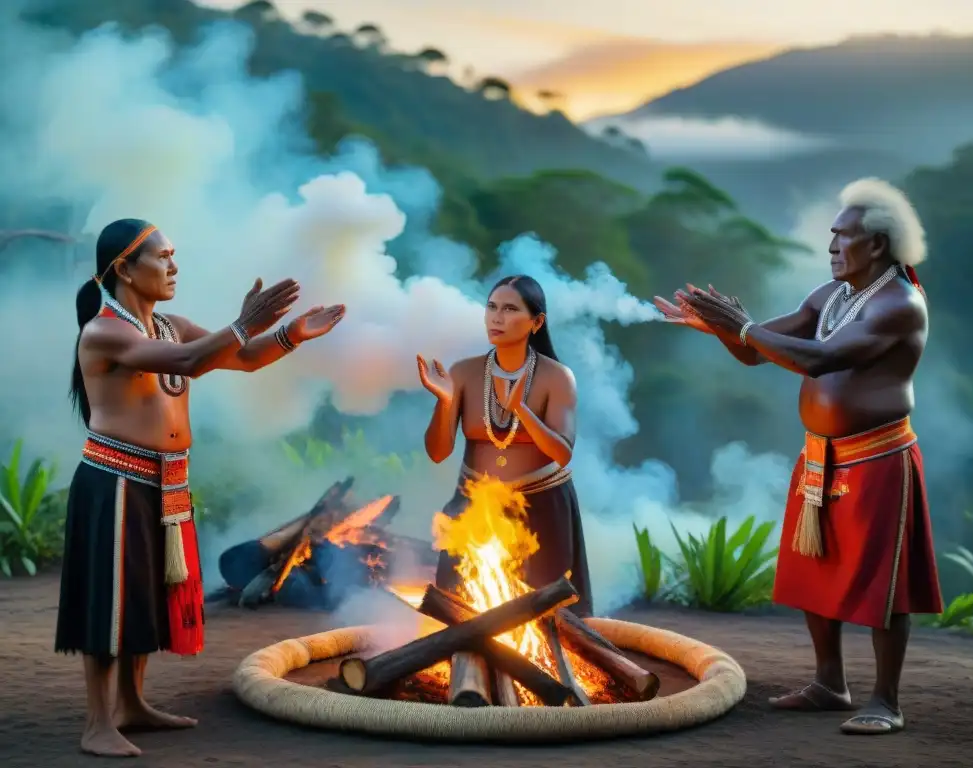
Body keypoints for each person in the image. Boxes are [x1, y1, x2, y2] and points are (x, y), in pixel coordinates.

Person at [656, 178, 943, 735]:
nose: (832, 246)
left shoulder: (899, 304)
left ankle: (887, 699)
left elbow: (818, 360)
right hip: (820, 457)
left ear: (878, 246)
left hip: (877, 456)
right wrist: (720, 328)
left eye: (843, 237)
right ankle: (830, 684)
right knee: (816, 569)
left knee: (883, 581)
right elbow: (758, 353)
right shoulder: (829, 295)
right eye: (831, 236)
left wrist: (743, 327)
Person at [55, 218, 346, 757]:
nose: (173, 266)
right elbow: (190, 362)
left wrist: (291, 334)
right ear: (123, 268)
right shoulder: (103, 331)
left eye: (174, 255)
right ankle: (98, 723)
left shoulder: (171, 325)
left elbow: (243, 357)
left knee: (144, 599)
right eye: (162, 257)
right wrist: (243, 321)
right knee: (110, 601)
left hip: (165, 481)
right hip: (115, 479)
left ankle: (133, 705)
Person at [416, 275, 593, 616]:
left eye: (510, 309)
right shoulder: (465, 372)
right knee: (458, 615)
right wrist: (445, 402)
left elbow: (562, 452)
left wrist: (521, 411)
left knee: (547, 621)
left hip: (542, 509)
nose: (496, 318)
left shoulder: (556, 377)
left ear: (536, 322)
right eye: (492, 307)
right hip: (473, 505)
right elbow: (438, 453)